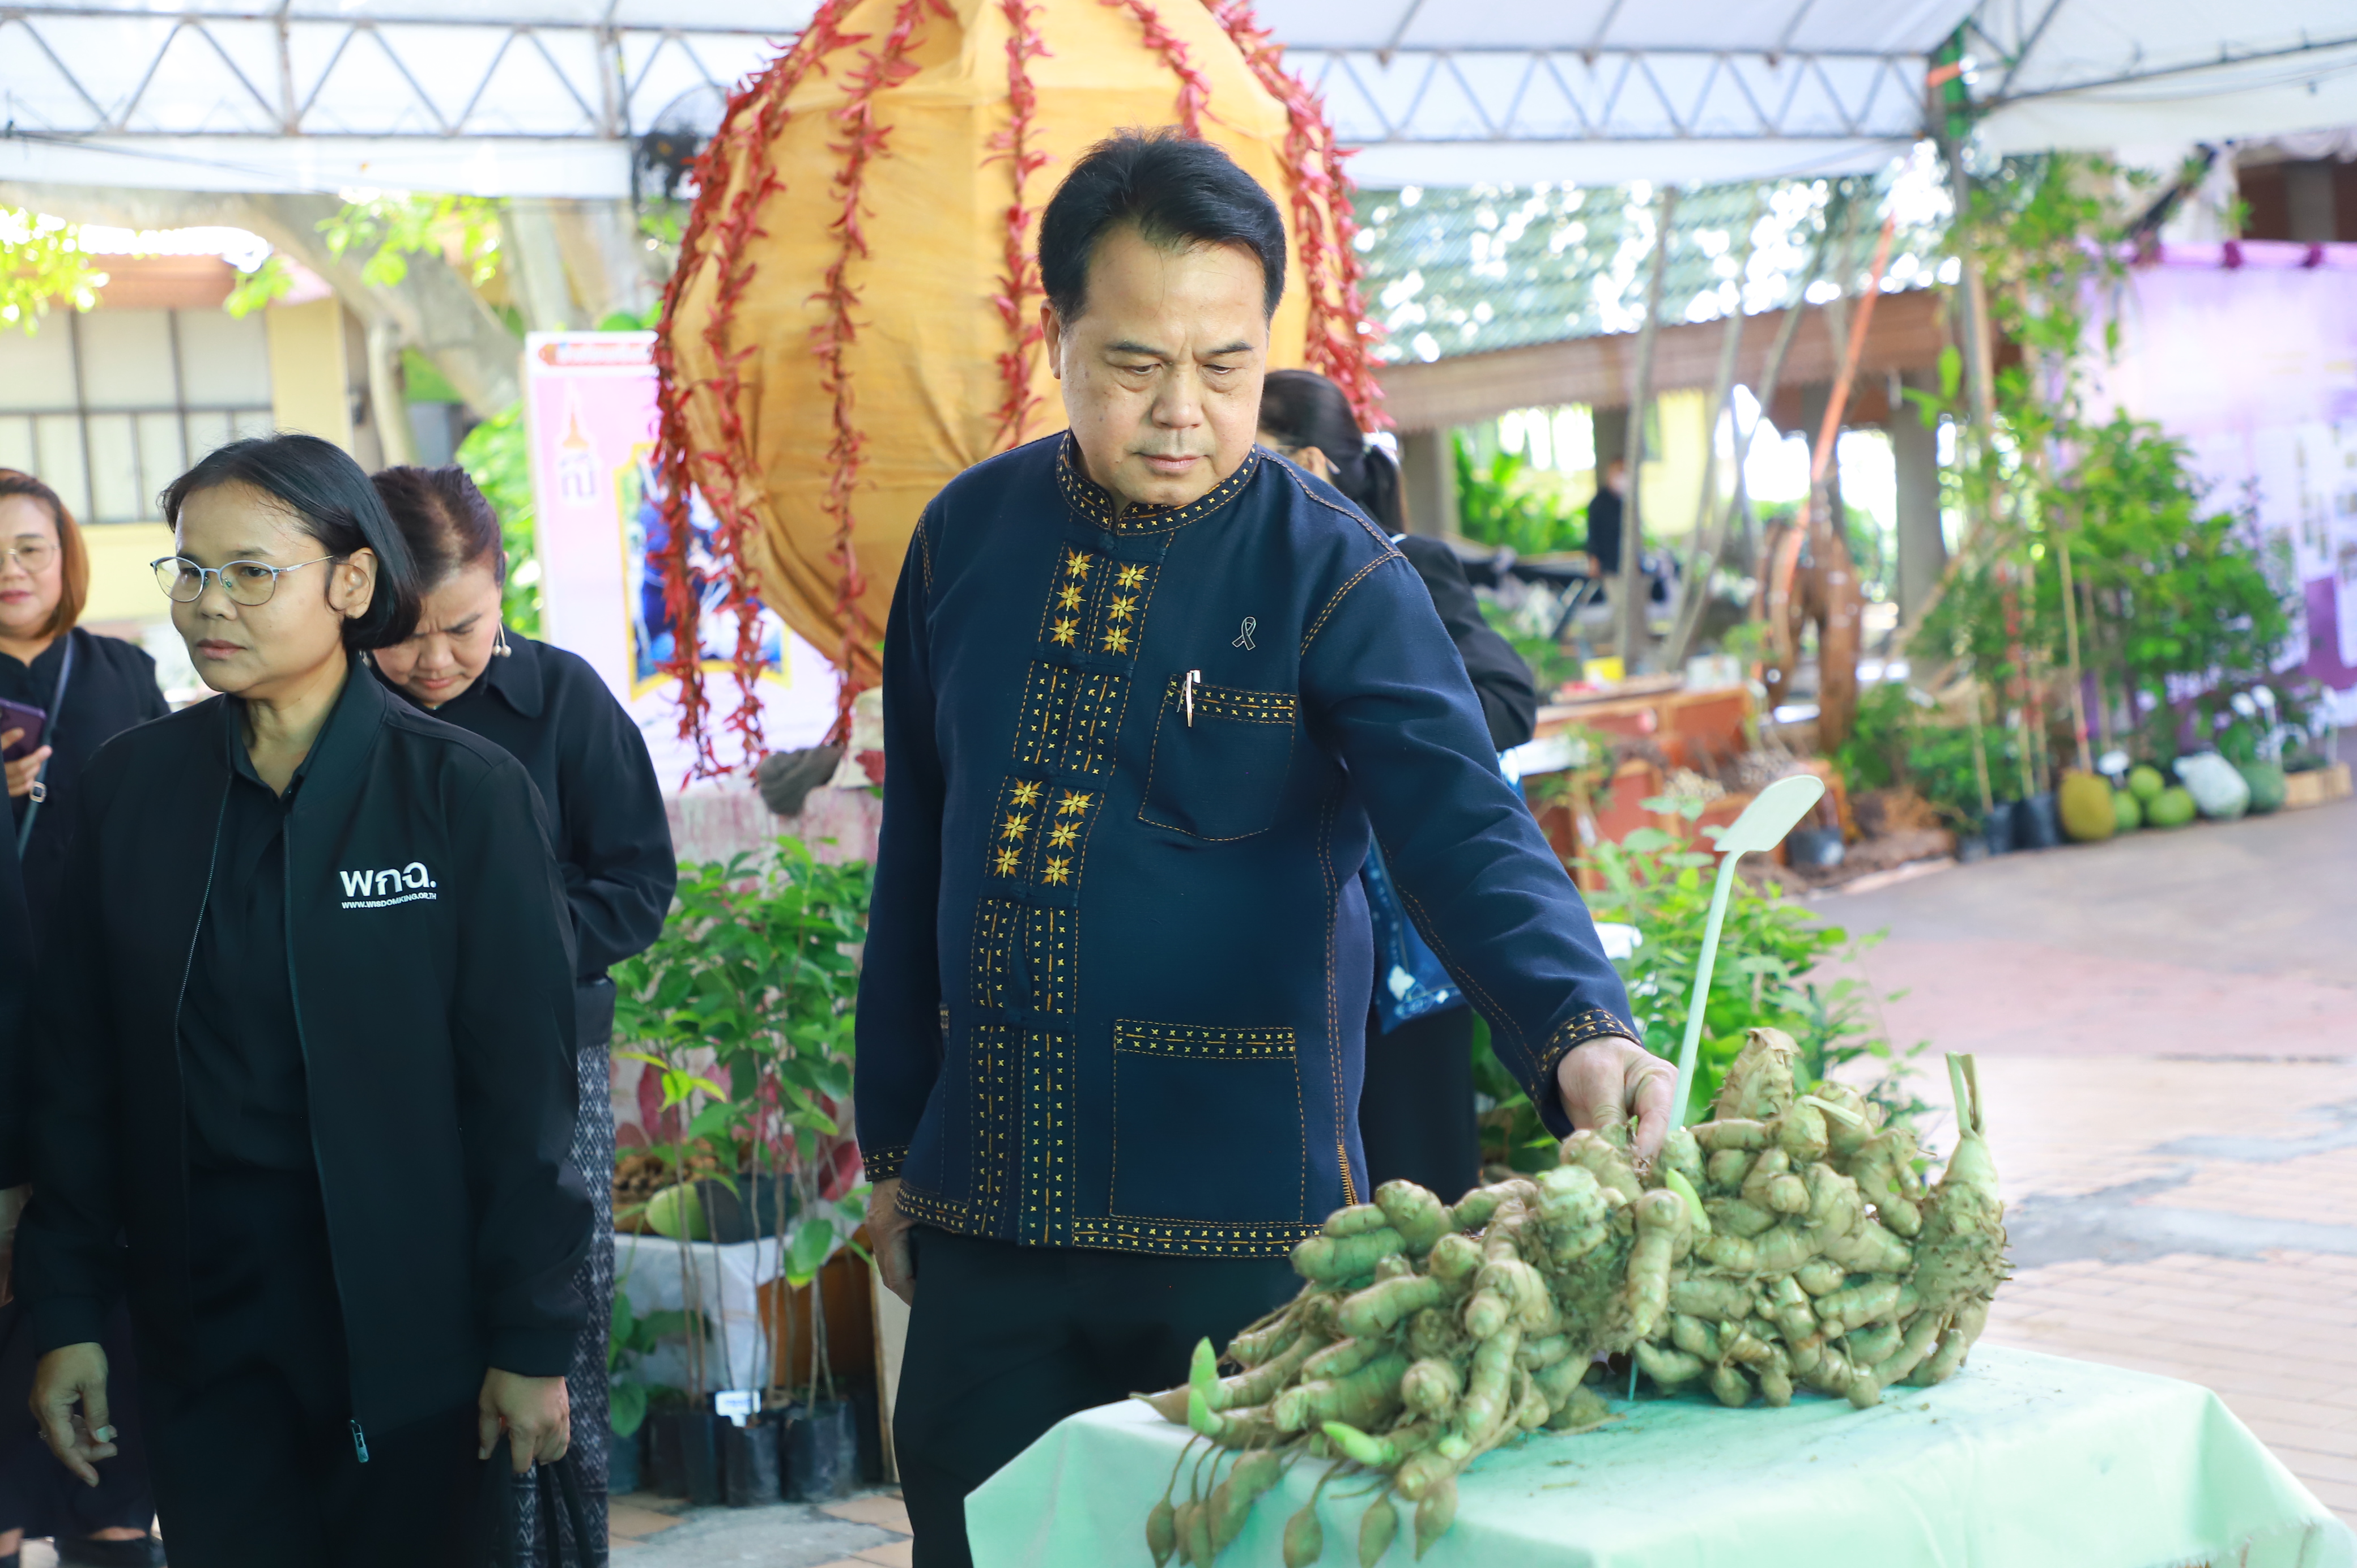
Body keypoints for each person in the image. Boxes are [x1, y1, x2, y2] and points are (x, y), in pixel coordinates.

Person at [853, 130, 1669, 1568]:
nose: (1183, 411)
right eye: (1134, 364)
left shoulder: (1333, 564)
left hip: (1240, 1238)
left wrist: (1575, 1025)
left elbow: (1459, 817)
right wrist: (890, 1141)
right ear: (1057, 340)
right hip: (991, 1212)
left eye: (1225, 366)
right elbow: (921, 849)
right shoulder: (966, 540)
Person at [15, 434, 592, 1568]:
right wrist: (70, 1310)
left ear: (352, 582)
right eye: (188, 571)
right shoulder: (132, 791)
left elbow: (524, 1096)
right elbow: (76, 1074)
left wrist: (532, 1337)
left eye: (249, 571)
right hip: (205, 1323)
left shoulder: (463, 797)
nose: (205, 603)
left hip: (413, 1325)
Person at [369, 463, 676, 1564]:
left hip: (548, 1064)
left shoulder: (564, 697)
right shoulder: (333, 718)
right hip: (377, 1070)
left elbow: (637, 881)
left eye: (465, 627)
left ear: (504, 593)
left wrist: (513, 959)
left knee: (555, 1326)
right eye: (405, 634)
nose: (436, 660)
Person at [1256, 369, 1539, 1201]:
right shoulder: (1233, 589)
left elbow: (1508, 700)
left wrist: (1375, 738)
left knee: (1420, 1198)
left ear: (1308, 461)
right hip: (1287, 952)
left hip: (1400, 953)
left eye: (1251, 456)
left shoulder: (1402, 567)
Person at [0, 470, 169, 1568]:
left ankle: (115, 1510)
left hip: (99, 1017)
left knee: (99, 1256)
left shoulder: (121, 672)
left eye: (30, 546)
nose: (13, 569)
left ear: (65, 555)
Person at [1584, 458, 1626, 581]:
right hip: (1608, 566)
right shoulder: (1599, 503)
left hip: (1625, 564)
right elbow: (1593, 534)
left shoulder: (1625, 504)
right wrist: (1594, 561)